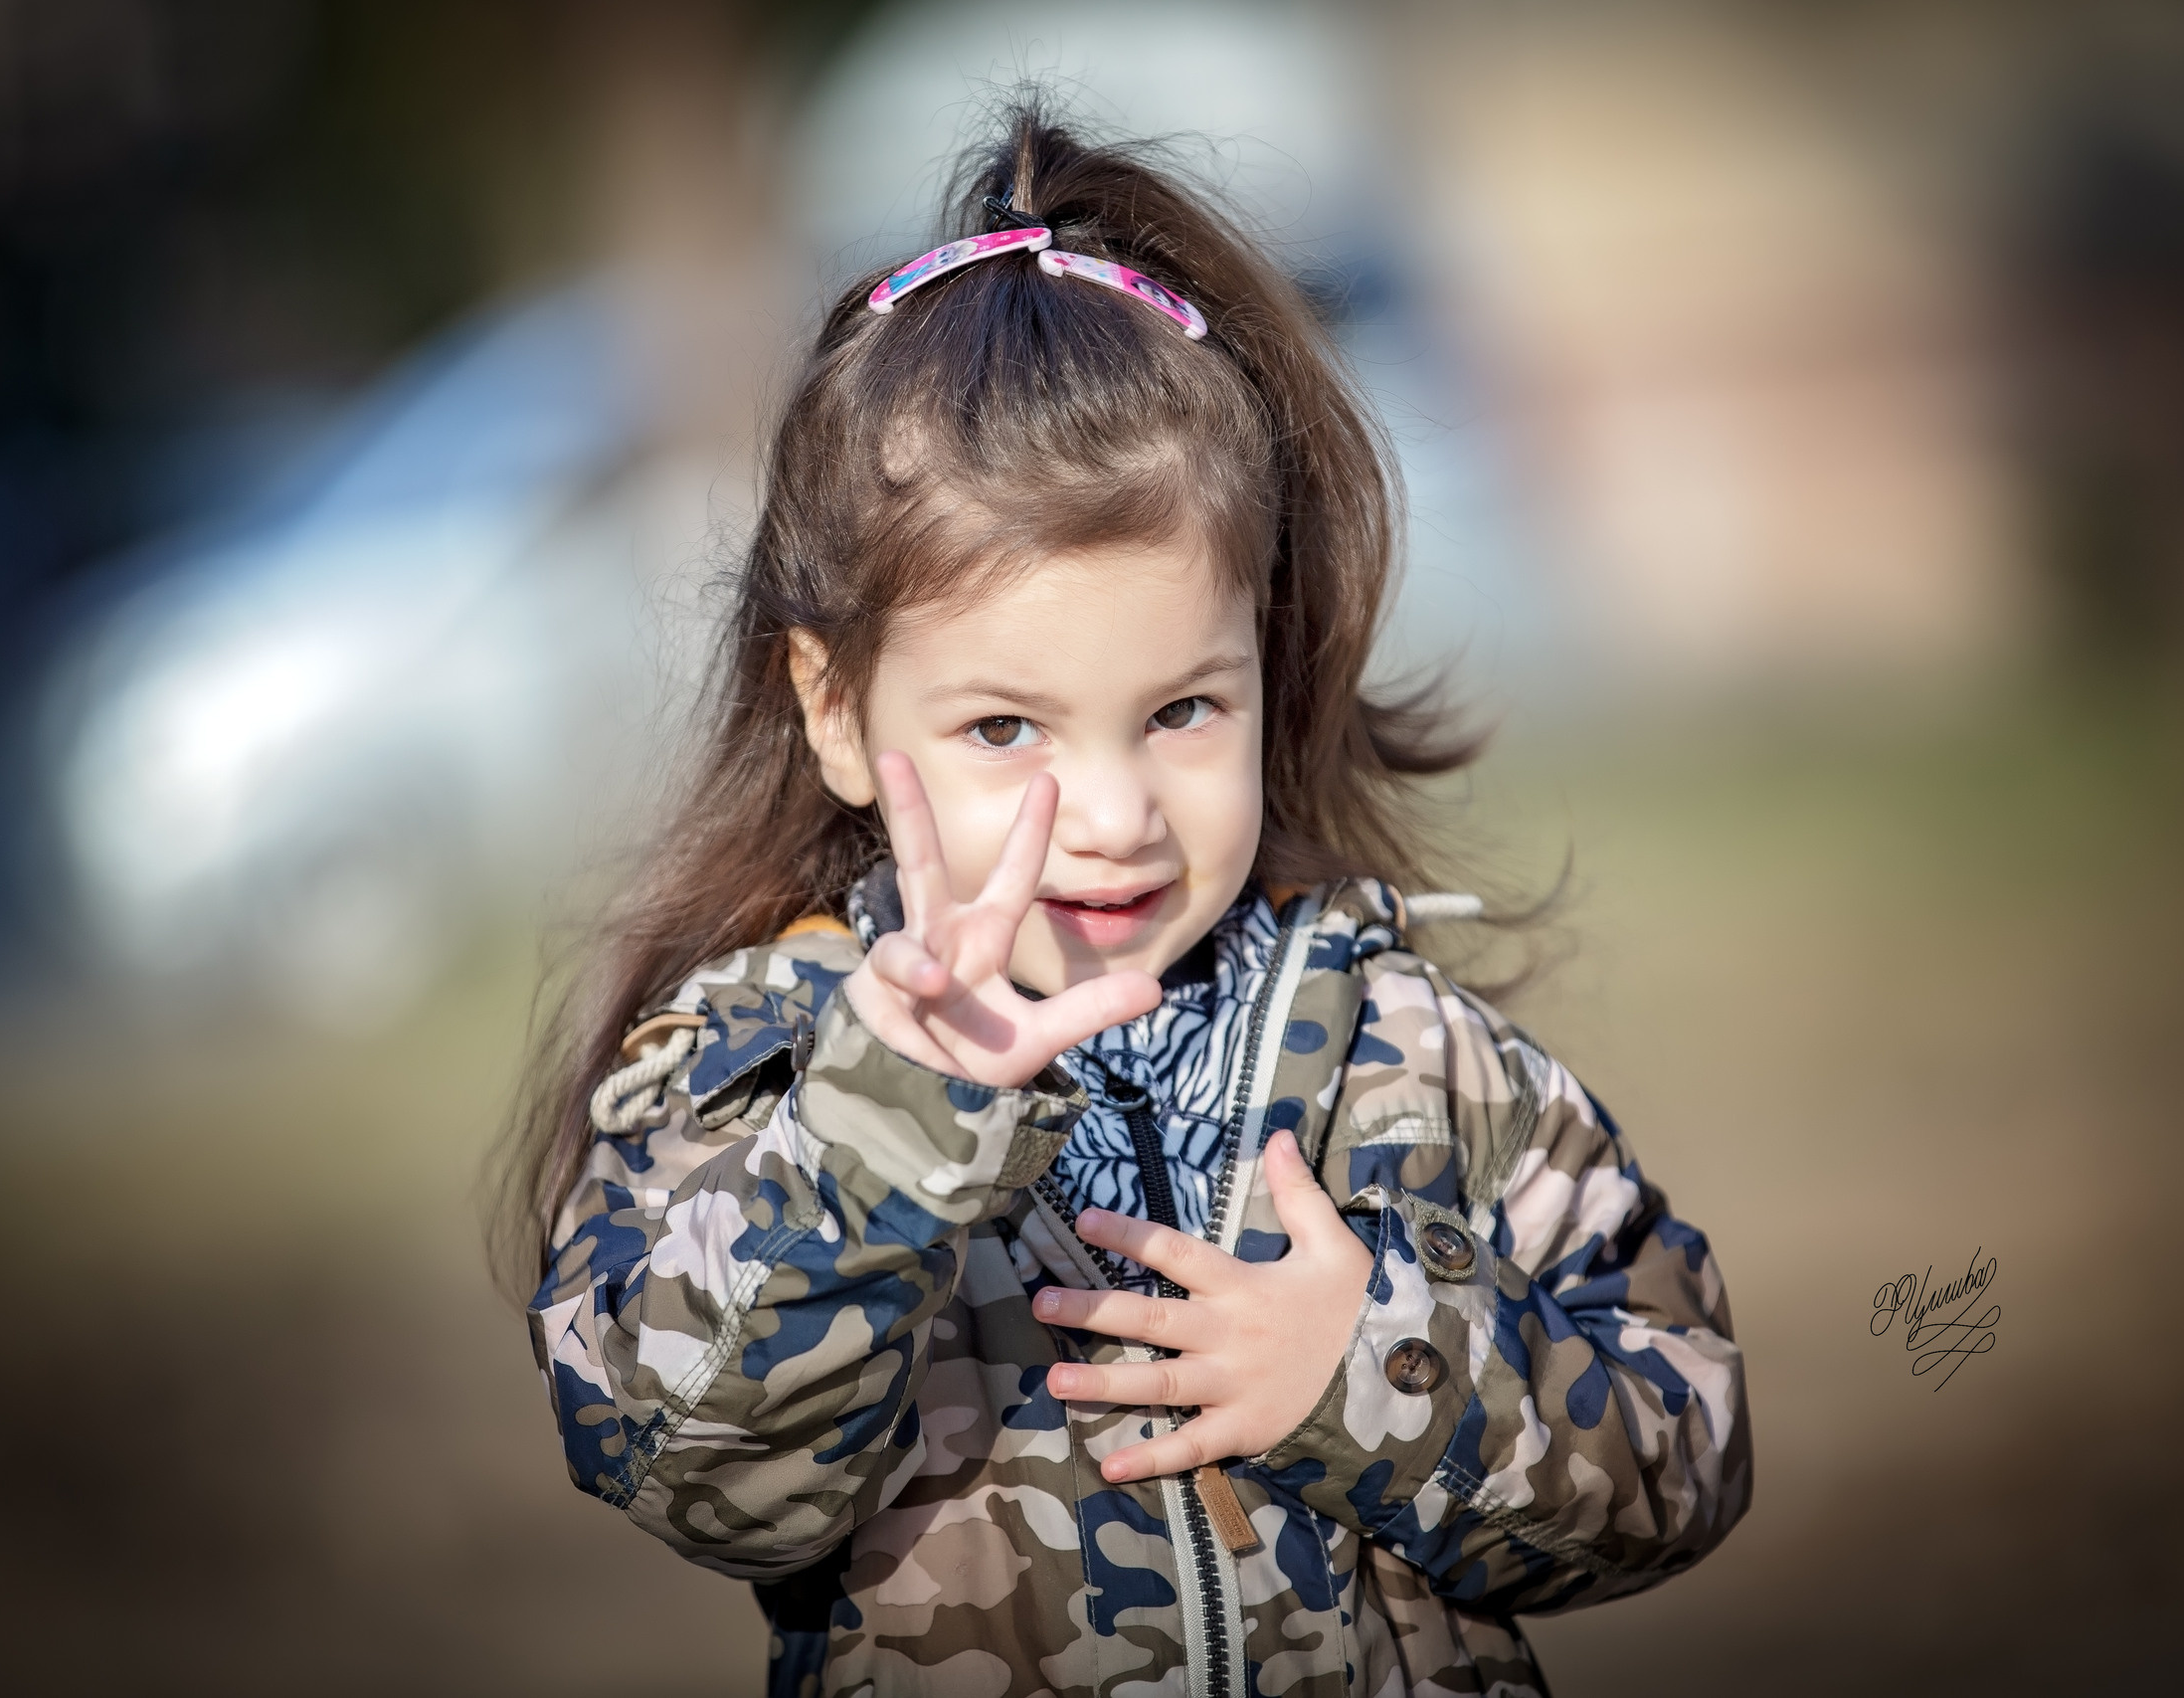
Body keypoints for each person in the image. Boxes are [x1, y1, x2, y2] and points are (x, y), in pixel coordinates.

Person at [496, 104, 1750, 1698]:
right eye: (1003, 728)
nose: (1110, 818)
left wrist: (1370, 1373)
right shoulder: (756, 1069)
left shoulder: (1405, 1050)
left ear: (1266, 666)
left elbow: (1690, 1436)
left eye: (1180, 713)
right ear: (834, 712)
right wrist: (883, 1130)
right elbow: (687, 1464)